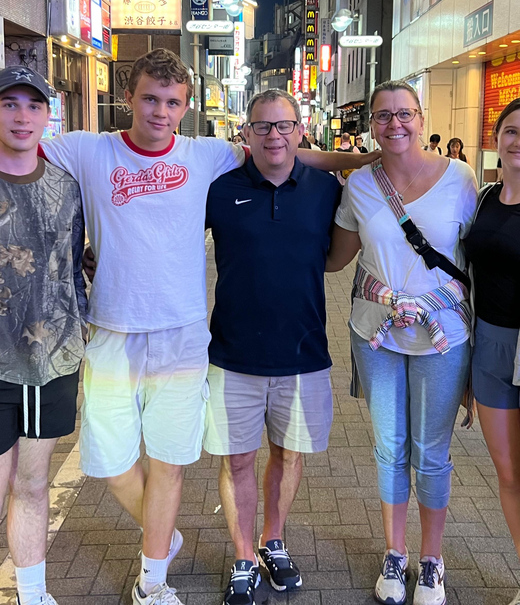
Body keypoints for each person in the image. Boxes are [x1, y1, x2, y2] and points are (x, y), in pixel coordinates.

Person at [52, 49, 376, 605]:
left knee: (216, 460)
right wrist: (79, 251)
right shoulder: (104, 152)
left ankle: (195, 564)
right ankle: (201, 543)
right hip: (157, 338)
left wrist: (364, 161)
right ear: (128, 96)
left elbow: (293, 167)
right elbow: (26, 154)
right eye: (150, 98)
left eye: (172, 102)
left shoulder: (227, 163)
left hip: (231, 343)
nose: (160, 111)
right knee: (127, 461)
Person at [326, 80, 477, 605]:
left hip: (444, 337)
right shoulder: (359, 186)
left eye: (404, 114)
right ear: (371, 125)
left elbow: (477, 258)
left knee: (431, 452)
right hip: (377, 333)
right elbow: (334, 258)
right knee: (389, 449)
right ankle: (396, 553)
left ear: (421, 117)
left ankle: (431, 561)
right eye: (383, 115)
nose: (395, 124)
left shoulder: (460, 178)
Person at [204, 90, 341, 605]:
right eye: (262, 127)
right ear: (246, 134)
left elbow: (343, 251)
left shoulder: (327, 190)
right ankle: (243, 556)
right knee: (238, 461)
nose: (274, 136)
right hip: (232, 354)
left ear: (301, 130)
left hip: (304, 352)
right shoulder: (219, 190)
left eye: (284, 126)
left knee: (289, 454)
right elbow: (165, 235)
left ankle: (272, 540)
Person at [0, 66, 86, 605]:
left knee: (33, 484)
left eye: (34, 106)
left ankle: (33, 594)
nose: (23, 116)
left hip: (52, 359)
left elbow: (75, 266)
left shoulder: (67, 186)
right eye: (10, 104)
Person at [465, 98, 520, 605]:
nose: (518, 141)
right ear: (498, 138)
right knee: (508, 472)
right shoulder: (484, 198)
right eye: (511, 130)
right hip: (488, 344)